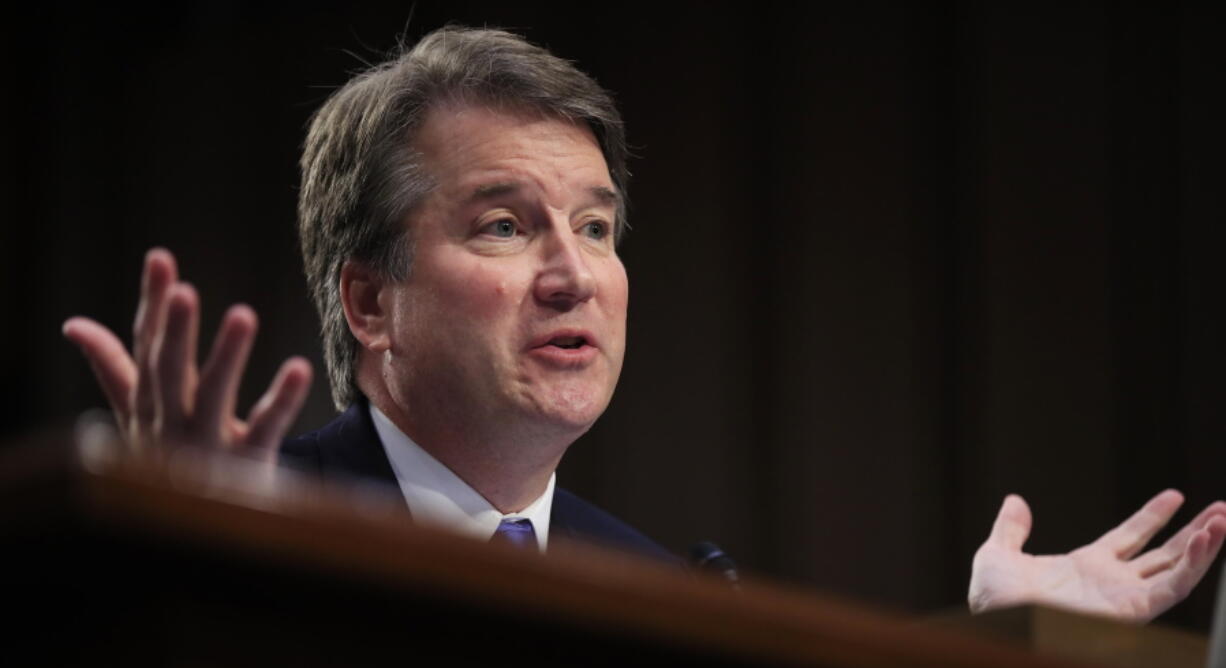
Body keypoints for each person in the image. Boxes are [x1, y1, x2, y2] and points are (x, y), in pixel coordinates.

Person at [62, 26, 1224, 620]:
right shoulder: (247, 511)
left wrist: (993, 657)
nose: (576, 274)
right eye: (507, 227)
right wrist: (177, 555)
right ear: (372, 301)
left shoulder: (670, 595)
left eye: (600, 228)